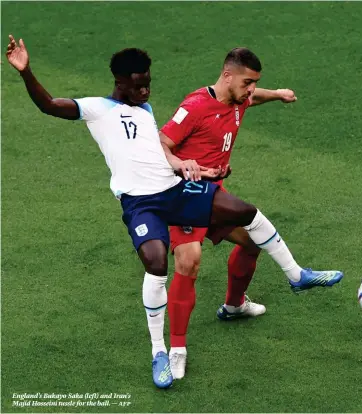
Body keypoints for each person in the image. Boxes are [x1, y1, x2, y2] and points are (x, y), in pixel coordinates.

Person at [6, 35, 343, 389]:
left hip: (174, 190)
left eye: (148, 83)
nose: (146, 91)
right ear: (120, 83)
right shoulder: (96, 108)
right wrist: (26, 71)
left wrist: (197, 170)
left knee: (245, 211)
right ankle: (160, 352)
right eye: (139, 86)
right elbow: (48, 105)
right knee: (157, 262)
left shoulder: (146, 111)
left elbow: (159, 156)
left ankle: (295, 275)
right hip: (139, 203)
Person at [159, 48, 342, 379]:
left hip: (214, 193)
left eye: (254, 84)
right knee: (189, 261)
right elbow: (163, 140)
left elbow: (253, 99)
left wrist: (279, 95)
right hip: (183, 195)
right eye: (247, 82)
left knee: (253, 241)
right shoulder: (195, 106)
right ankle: (177, 350)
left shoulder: (239, 98)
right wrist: (181, 165)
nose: (250, 90)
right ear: (227, 76)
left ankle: (234, 306)